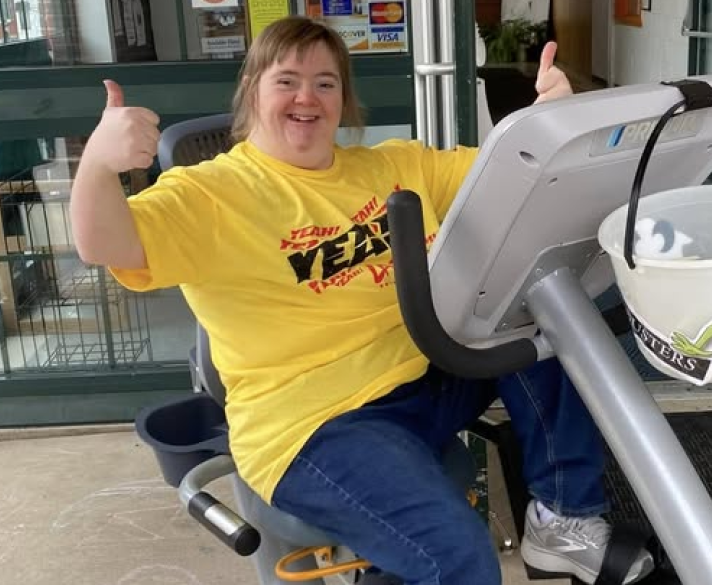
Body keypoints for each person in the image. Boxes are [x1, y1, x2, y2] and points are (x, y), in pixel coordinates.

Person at [70, 16, 653, 585]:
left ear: (343, 99)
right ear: (251, 90)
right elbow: (102, 243)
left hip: (427, 373)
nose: (307, 97)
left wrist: (551, 124)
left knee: (539, 315)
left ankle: (562, 519)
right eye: (286, 80)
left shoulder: (394, 166)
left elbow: (517, 175)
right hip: (316, 424)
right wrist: (98, 163)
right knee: (456, 558)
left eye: (325, 83)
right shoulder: (211, 196)